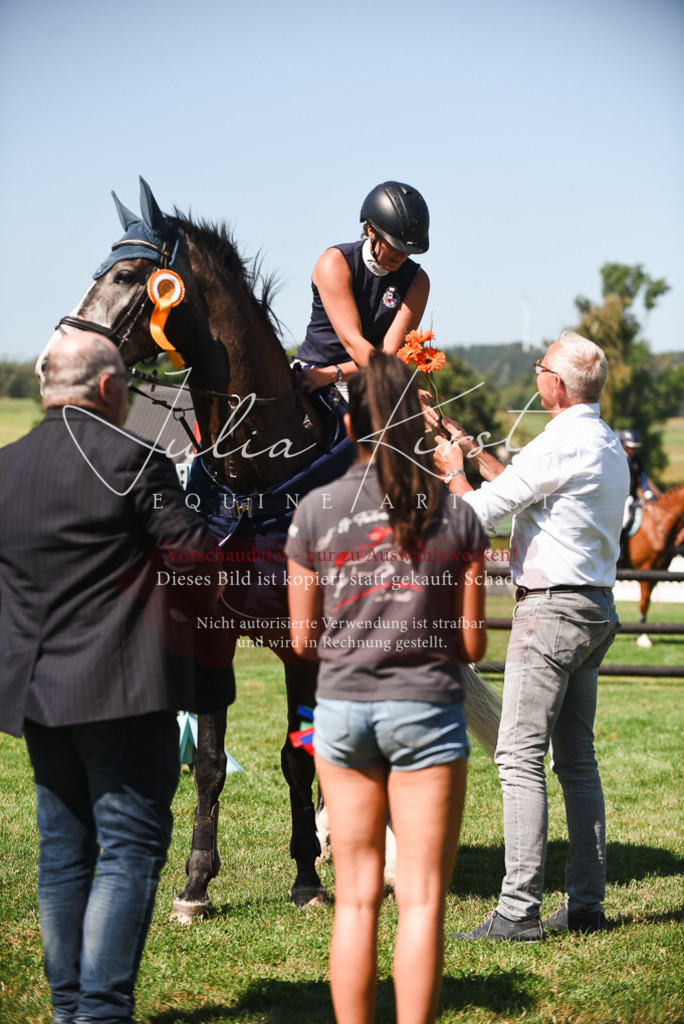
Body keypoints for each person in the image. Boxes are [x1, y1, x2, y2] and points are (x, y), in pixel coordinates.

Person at [0, 332, 234, 1024]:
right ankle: (100, 1013)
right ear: (106, 389)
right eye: (127, 386)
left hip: (38, 697)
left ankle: (72, 1007)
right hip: (126, 690)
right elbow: (198, 565)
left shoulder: (6, 468)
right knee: (129, 851)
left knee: (63, 852)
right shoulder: (134, 458)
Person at [285, 352, 487, 1024]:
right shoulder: (457, 516)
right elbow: (473, 645)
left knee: (356, 898)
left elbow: (303, 639)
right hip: (428, 710)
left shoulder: (315, 508)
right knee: (423, 898)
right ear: (417, 423)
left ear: (348, 421)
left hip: (342, 713)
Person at [434, 330, 629, 941]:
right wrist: (473, 453)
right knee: (577, 762)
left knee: (518, 758)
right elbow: (532, 491)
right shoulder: (604, 441)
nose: (538, 373)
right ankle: (586, 904)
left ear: (557, 386)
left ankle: (518, 909)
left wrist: (452, 475)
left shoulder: (562, 439)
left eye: (541, 367)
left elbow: (479, 514)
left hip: (550, 612)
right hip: (595, 607)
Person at [294, 181, 431, 397]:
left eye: (409, 250)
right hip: (315, 371)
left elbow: (390, 354)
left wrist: (335, 373)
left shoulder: (418, 281)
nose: (402, 255)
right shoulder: (335, 262)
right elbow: (353, 342)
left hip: (370, 377)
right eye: (395, 245)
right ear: (371, 230)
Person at [618, 429, 662, 557]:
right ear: (625, 446)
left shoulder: (637, 460)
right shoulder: (619, 459)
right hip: (623, 497)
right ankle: (620, 548)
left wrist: (647, 491)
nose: (635, 450)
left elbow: (642, 477)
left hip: (634, 496)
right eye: (632, 448)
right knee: (625, 519)